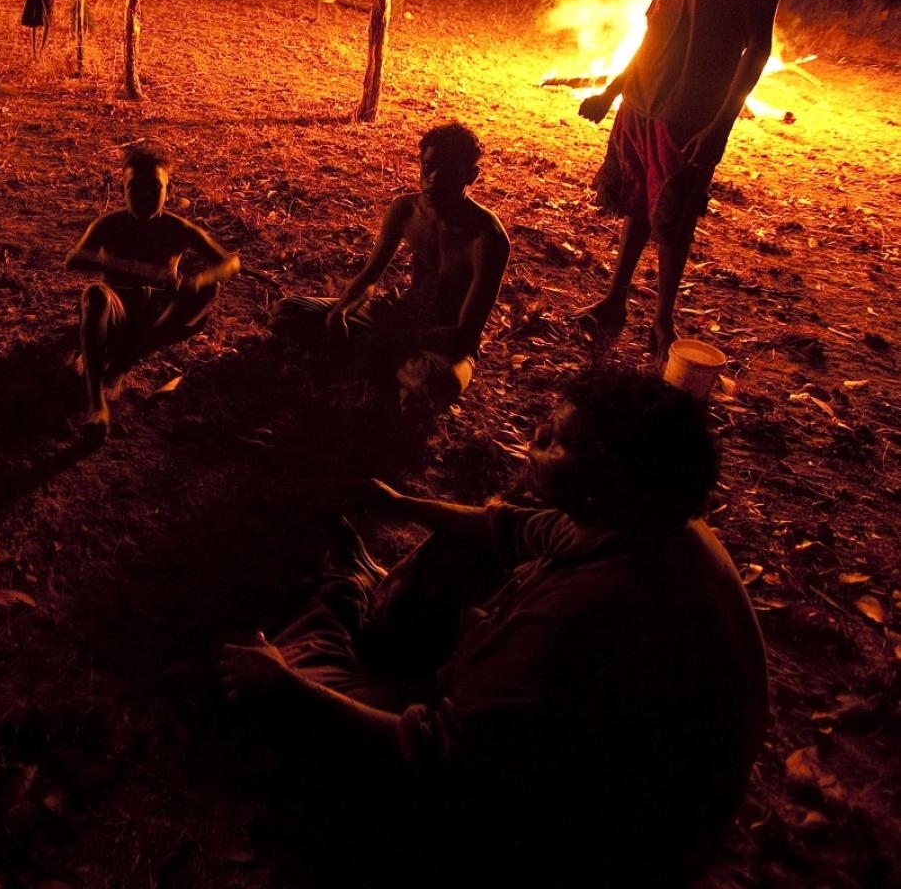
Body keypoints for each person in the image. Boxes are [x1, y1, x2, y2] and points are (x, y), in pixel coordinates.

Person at [220, 370, 769, 883]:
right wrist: (402, 503)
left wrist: (287, 688)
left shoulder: (585, 614)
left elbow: (439, 761)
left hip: (589, 843)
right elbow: (512, 528)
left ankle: (334, 612)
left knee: (302, 665)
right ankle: (357, 610)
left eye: (555, 440)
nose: (537, 437)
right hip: (604, 772)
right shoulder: (648, 523)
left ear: (600, 481)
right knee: (458, 548)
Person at [577, 0, 781, 361]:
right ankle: (615, 301)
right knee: (638, 209)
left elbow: (756, 49)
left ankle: (663, 321)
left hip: (688, 115)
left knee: (672, 217)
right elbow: (650, 38)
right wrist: (613, 90)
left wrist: (718, 127)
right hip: (643, 104)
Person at [271, 123, 508, 416]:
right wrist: (341, 310)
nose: (433, 180)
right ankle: (380, 369)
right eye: (428, 167)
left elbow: (465, 334)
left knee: (430, 381)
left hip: (443, 341)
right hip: (398, 314)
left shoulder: (487, 238)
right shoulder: (406, 210)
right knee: (288, 313)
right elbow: (370, 277)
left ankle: (378, 371)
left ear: (470, 176)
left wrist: (391, 341)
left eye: (447, 172)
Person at [66, 143, 241, 436]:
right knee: (95, 296)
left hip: (157, 314)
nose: (144, 195)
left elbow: (230, 262)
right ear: (122, 189)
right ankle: (97, 403)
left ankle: (120, 368)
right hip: (117, 309)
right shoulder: (108, 225)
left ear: (168, 192)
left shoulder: (178, 229)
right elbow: (74, 260)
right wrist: (122, 268)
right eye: (134, 187)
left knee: (208, 291)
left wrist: (198, 281)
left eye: (154, 188)